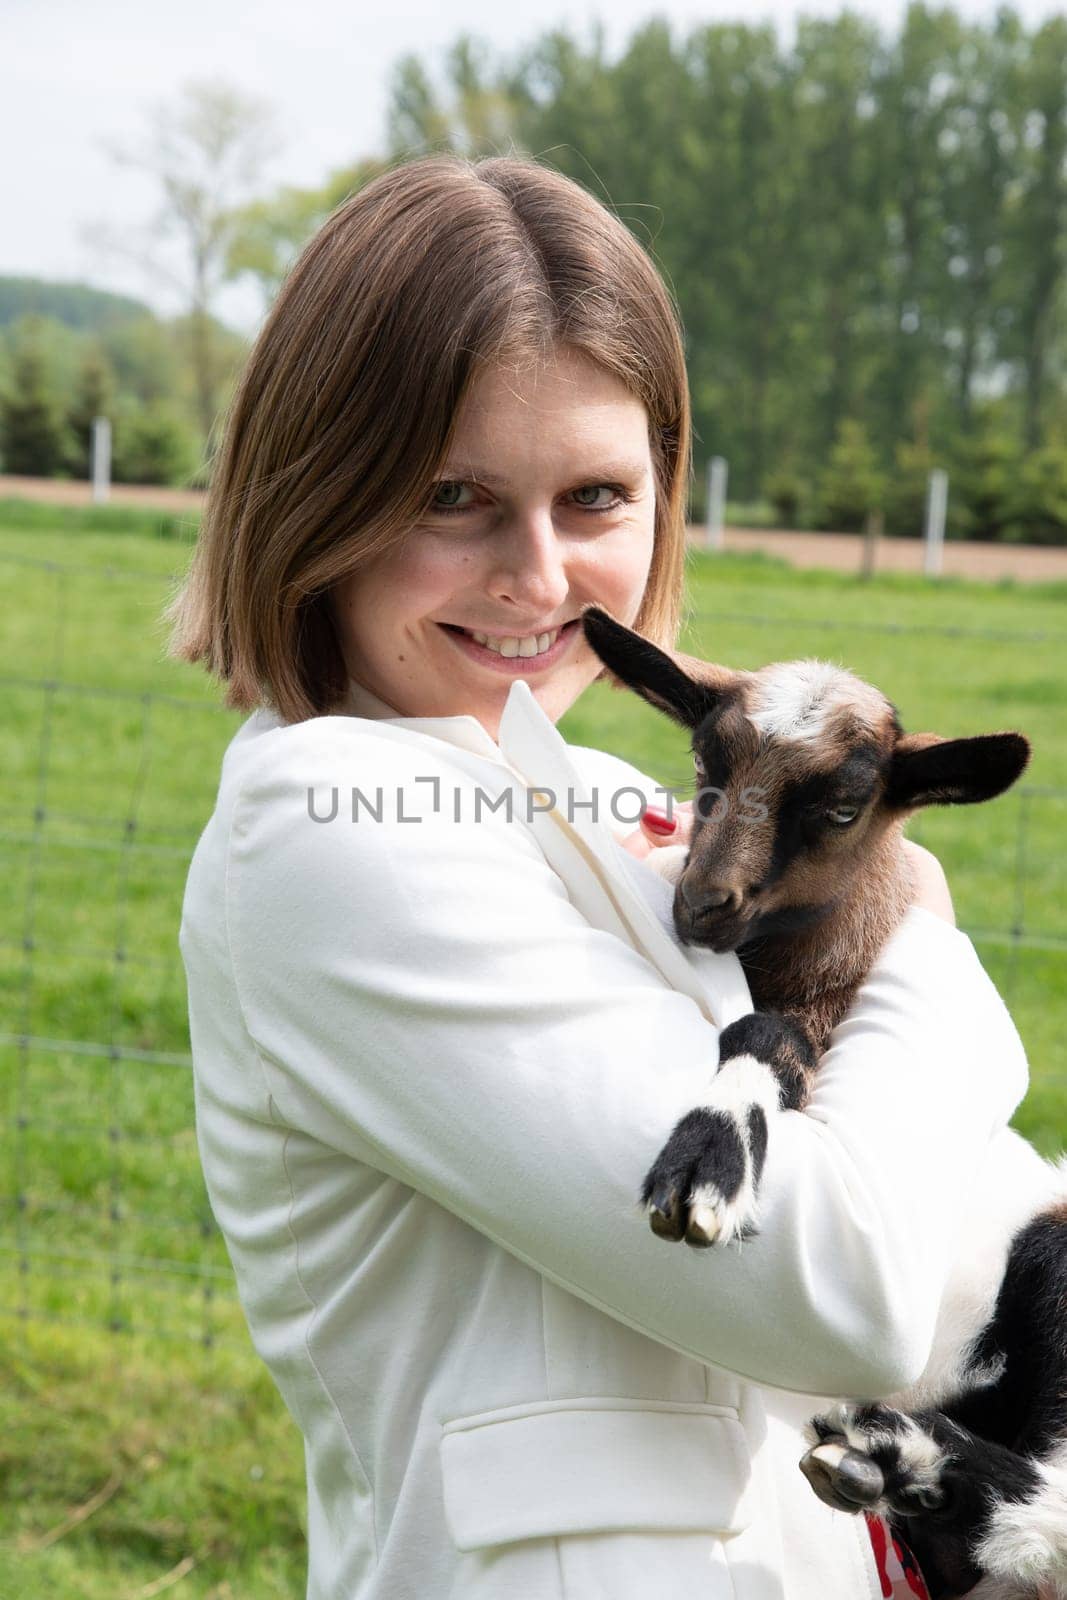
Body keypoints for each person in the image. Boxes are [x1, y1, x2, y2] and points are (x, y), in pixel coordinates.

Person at [169, 154, 1027, 1600]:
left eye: (595, 497)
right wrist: (922, 930)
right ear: (316, 492)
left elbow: (956, 1235)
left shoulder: (604, 801)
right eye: (453, 496)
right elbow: (850, 1287)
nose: (541, 576)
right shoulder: (327, 826)